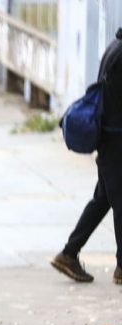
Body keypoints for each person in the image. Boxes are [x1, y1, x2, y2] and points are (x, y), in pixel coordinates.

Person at [52, 29, 122, 285]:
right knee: (119, 202)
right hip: (116, 139)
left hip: (110, 138)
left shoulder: (115, 46)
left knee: (103, 200)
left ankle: (68, 253)